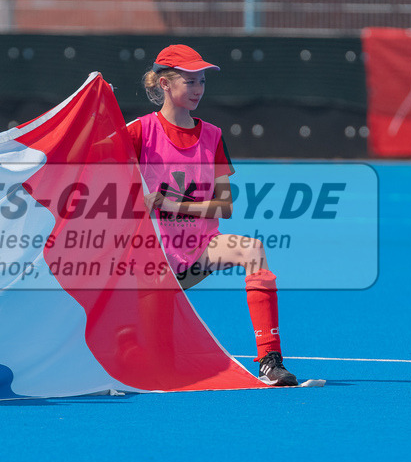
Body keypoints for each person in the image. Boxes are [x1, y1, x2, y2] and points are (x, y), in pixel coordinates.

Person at [127, 44, 298, 386]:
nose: (198, 89)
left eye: (202, 81)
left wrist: (170, 204)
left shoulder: (213, 136)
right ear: (165, 84)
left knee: (253, 250)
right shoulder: (139, 131)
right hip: (151, 258)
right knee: (154, 363)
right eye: (189, 81)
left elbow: (224, 206)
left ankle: (270, 361)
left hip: (200, 249)